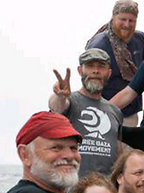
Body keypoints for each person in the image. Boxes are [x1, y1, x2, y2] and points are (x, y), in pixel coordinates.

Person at [86, 0, 144, 127]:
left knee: (128, 147)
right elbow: (89, 78)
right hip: (101, 113)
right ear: (114, 17)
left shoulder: (140, 39)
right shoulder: (99, 45)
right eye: (123, 19)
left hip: (129, 115)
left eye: (131, 20)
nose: (127, 25)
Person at [49, 48, 123, 177]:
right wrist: (60, 96)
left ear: (109, 73)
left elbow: (118, 152)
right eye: (90, 66)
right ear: (80, 70)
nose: (95, 71)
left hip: (107, 190)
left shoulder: (115, 111)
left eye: (101, 66)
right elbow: (57, 107)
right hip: (73, 190)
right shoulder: (70, 101)